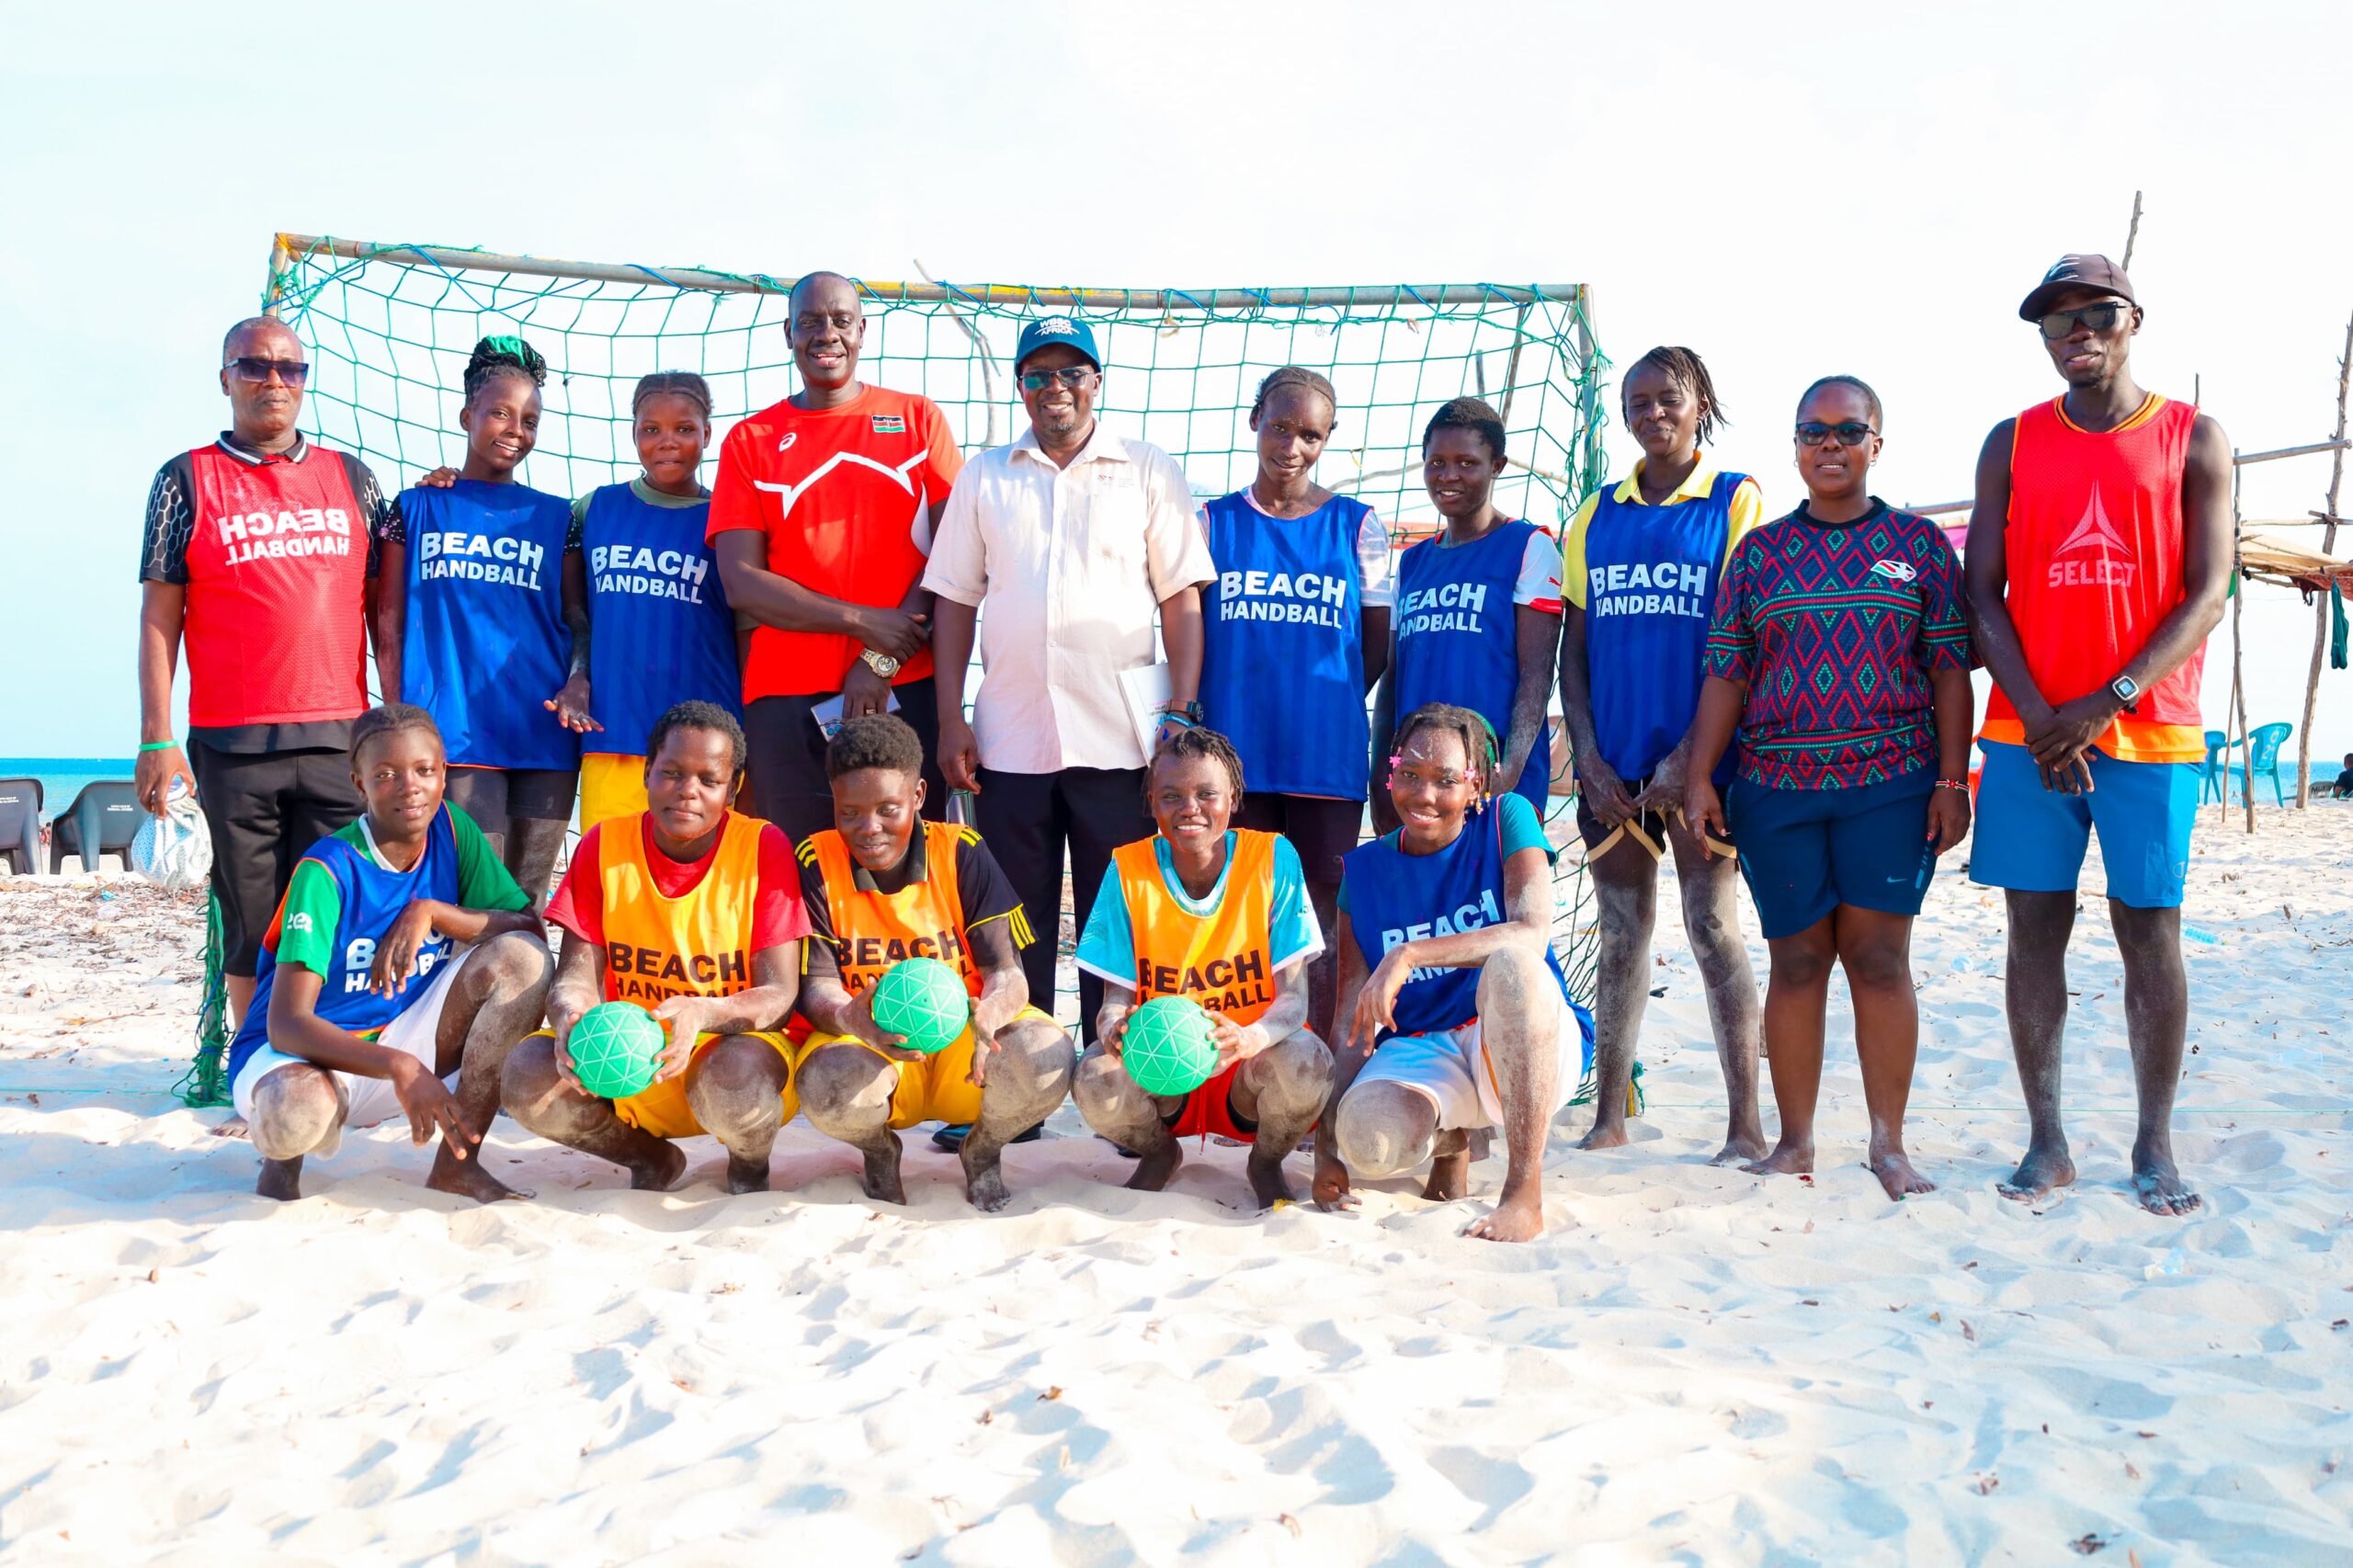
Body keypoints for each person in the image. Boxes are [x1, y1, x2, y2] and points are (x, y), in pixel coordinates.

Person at [1964, 255, 2233, 1216]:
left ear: (2132, 321)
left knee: (2147, 928)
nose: (2075, 331)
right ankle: (2046, 1137)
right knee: (2034, 929)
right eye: (2055, 320)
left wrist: (2105, 698)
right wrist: (2039, 713)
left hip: (2149, 730)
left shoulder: (2190, 438)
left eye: (2096, 314)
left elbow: (2207, 593)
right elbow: (1979, 593)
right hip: (2023, 733)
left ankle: (2153, 1142)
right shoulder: (2013, 441)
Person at [1686, 377, 1974, 1201]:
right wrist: (1704, 774)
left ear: (1876, 444)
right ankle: (1796, 1141)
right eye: (1814, 431)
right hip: (1777, 788)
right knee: (1798, 961)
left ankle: (1889, 1145)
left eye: (1849, 431)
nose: (1830, 445)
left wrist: (1952, 780)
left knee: (1880, 960)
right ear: (1797, 446)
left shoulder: (1919, 546)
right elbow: (1726, 672)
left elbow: (1951, 669)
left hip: (1891, 782)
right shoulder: (1759, 555)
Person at [925, 314, 1217, 1038]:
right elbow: (956, 601)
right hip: (1010, 737)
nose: (1055, 388)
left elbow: (1180, 595)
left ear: (1096, 383)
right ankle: (1020, 1085)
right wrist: (952, 718)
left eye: (1071, 373)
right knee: (1011, 918)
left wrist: (1180, 710)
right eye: (1038, 375)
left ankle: (1114, 1084)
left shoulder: (1148, 467)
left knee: (1112, 919)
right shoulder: (986, 476)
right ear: (1021, 388)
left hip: (1122, 738)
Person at [138, 315, 394, 1028]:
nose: (273, 380)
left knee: (333, 914)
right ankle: (258, 1056)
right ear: (225, 379)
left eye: (290, 368)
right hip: (232, 744)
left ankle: (335, 1046)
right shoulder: (184, 479)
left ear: (305, 381)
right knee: (252, 919)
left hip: (340, 739)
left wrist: (396, 723)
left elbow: (387, 616)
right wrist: (156, 739)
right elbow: (160, 620)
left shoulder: (353, 478)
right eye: (254, 366)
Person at [1556, 346, 1766, 1161]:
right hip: (1615, 762)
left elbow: (1742, 636)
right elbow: (1575, 648)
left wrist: (1695, 758)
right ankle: (1609, 1114)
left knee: (1713, 928)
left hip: (1703, 763)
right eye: (1637, 402)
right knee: (1619, 932)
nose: (1652, 414)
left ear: (1700, 404)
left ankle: (1745, 1123)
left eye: (1668, 398)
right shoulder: (1595, 513)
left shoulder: (1732, 499)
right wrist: (1590, 757)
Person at [227, 704, 553, 1203]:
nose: (410, 786)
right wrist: (401, 1066)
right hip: (314, 1056)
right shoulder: (327, 870)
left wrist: (434, 912)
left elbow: (528, 926)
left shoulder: (452, 829)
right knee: (293, 1117)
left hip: (408, 1037)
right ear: (359, 784)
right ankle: (280, 1171)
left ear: (444, 774)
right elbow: (286, 1024)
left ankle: (456, 1167)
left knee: (523, 960)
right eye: (386, 775)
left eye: (424, 770)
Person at [502, 703, 810, 1195]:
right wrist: (569, 1015)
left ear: (733, 789)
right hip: (629, 1057)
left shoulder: (763, 846)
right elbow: (576, 976)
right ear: (646, 772)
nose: (688, 791)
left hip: (734, 1053)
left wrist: (701, 1013)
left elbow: (779, 993)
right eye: (671, 773)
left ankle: (749, 1163)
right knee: (526, 1077)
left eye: (709, 780)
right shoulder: (603, 844)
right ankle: (651, 1158)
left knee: (733, 1080)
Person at [1315, 703, 1590, 1243]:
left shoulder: (1507, 819)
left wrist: (1411, 953)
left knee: (1513, 964)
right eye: (1410, 775)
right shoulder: (1364, 873)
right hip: (1426, 1046)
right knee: (1369, 1142)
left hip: (1517, 1042)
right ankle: (1451, 1140)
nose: (1424, 795)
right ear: (1390, 775)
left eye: (1446, 780)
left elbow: (1532, 932)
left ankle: (1523, 1192)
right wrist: (1327, 1148)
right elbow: (1352, 1016)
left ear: (1476, 786)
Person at [709, 271, 964, 839]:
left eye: (841, 320)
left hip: (906, 681)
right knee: (796, 865)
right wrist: (863, 623)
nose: (827, 334)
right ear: (788, 333)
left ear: (863, 330)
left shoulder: (920, 419)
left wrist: (879, 660)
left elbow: (956, 553)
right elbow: (741, 582)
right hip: (783, 692)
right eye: (810, 322)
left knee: (900, 862)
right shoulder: (749, 440)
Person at [790, 714, 1076, 1210]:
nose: (869, 828)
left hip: (967, 1049)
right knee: (823, 1083)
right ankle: (879, 1152)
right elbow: (817, 987)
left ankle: (982, 1148)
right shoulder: (816, 860)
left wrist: (991, 1014)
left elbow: (1006, 974)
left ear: (919, 796)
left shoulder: (960, 850)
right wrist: (849, 1016)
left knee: (1047, 1055)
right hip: (873, 1048)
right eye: (850, 811)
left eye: (888, 809)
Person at [1198, 366, 1392, 1031]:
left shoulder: (1357, 526)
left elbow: (1374, 647)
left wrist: (1323, 707)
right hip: (1232, 759)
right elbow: (1188, 634)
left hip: (1324, 758)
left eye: (1310, 434)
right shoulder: (1210, 522)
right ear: (1255, 421)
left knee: (1321, 910)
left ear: (1327, 438)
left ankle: (1316, 1066)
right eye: (1279, 427)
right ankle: (1233, 1075)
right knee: (1238, 910)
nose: (1291, 447)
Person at [1071, 729, 1333, 1207]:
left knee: (1307, 1061)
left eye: (1206, 794)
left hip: (1248, 1065)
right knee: (1093, 1078)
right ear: (1151, 802)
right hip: (1163, 1068)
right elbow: (1115, 1000)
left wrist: (1250, 1037)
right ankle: (1159, 1151)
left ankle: (1266, 1162)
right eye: (1172, 795)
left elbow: (1295, 1000)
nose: (1189, 807)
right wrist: (1113, 1028)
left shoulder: (1273, 858)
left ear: (1233, 797)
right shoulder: (1127, 869)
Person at [374, 336, 579, 903]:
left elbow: (576, 617)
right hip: (456, 735)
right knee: (469, 903)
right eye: (500, 413)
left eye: (530, 420)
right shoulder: (416, 507)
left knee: (528, 905)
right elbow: (387, 620)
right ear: (467, 415)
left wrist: (579, 681)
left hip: (544, 736)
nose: (515, 429)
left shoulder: (558, 517)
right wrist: (399, 716)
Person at [560, 371, 743, 830]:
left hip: (707, 749)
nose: (667, 442)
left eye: (684, 429)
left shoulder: (731, 521)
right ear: (633, 432)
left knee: (698, 894)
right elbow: (571, 607)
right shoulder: (594, 509)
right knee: (614, 884)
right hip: (613, 734)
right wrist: (578, 675)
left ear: (707, 434)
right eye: (651, 429)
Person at [1376, 397, 1563, 826]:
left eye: (1467, 462)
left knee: (1492, 894)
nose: (1449, 475)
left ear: (1496, 465)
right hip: (1420, 782)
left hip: (1493, 778)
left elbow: (1537, 673)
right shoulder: (1412, 562)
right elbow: (1394, 676)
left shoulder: (1529, 546)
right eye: (1436, 462)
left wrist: (1509, 770)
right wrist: (1380, 770)